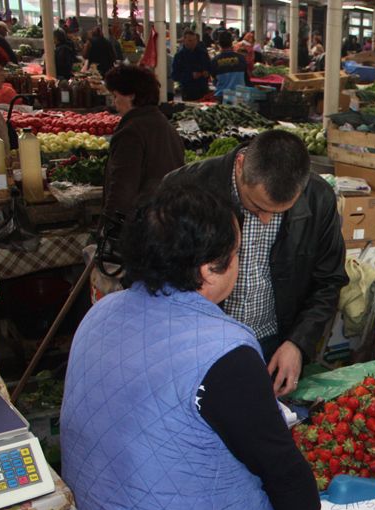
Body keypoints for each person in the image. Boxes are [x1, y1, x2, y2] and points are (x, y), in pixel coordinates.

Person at [61, 186, 374, 510]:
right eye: (235, 253)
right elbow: (282, 469)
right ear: (208, 269)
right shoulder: (220, 351)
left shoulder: (102, 312)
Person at [160, 130, 347, 397]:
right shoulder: (186, 188)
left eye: (280, 212)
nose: (266, 220)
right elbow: (158, 274)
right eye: (257, 207)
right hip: (197, 344)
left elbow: (329, 281)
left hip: (274, 344)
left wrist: (297, 343)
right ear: (240, 165)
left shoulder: (319, 198)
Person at [102, 65, 184, 220]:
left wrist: (108, 229)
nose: (114, 103)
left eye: (116, 96)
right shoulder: (165, 125)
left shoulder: (131, 132)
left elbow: (122, 188)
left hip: (140, 226)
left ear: (131, 96)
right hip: (165, 220)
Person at [172, 30, 211, 101]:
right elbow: (175, 76)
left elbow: (209, 67)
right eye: (190, 40)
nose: (193, 43)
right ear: (184, 40)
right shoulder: (179, 56)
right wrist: (191, 75)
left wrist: (207, 72)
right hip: (188, 91)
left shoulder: (203, 53)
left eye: (195, 40)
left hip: (203, 90)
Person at [210, 30, 248, 102]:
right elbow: (246, 77)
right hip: (239, 95)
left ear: (219, 44)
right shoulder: (241, 58)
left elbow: (214, 79)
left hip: (222, 96)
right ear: (231, 43)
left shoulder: (215, 61)